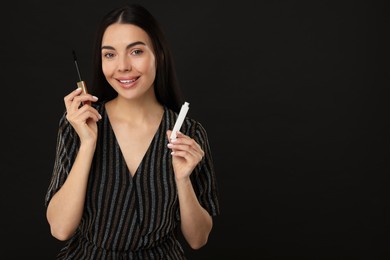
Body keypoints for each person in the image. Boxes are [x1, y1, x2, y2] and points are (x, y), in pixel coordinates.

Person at [45, 3, 220, 259]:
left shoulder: (189, 131)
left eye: (136, 51)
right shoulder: (80, 123)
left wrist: (183, 180)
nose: (123, 66)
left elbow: (198, 238)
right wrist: (87, 144)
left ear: (158, 54)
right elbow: (60, 229)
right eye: (110, 54)